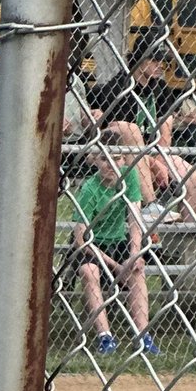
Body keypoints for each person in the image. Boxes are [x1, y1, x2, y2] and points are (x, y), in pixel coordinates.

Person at [94, 38, 196, 226]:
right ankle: (150, 205)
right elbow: (124, 138)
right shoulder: (119, 87)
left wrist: (162, 159)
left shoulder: (160, 88)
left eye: (162, 61)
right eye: (154, 60)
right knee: (133, 130)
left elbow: (165, 131)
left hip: (154, 152)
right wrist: (153, 164)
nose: (160, 65)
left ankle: (186, 246)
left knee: (194, 178)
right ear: (140, 60)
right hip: (125, 155)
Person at [71, 132, 159, 357]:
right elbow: (81, 239)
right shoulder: (90, 189)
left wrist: (134, 253)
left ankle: (143, 337)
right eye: (104, 158)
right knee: (90, 271)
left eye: (118, 158)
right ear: (95, 161)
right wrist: (116, 267)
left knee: (137, 272)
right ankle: (105, 337)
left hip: (118, 242)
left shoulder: (128, 178)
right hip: (94, 245)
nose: (111, 164)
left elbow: (134, 218)